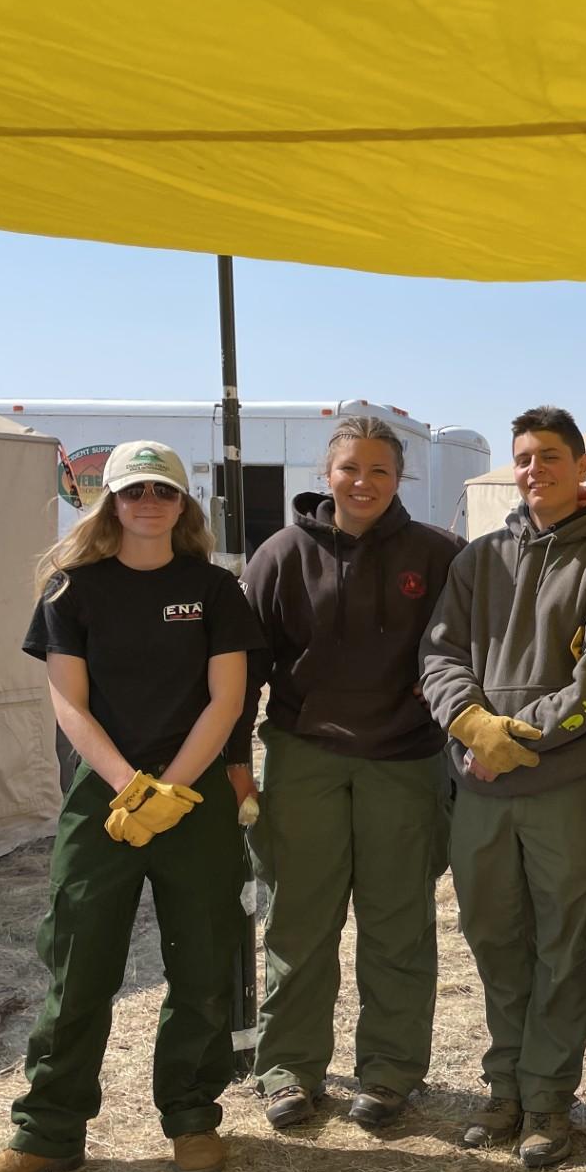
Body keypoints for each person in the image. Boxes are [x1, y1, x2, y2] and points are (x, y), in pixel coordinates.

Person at [0, 440, 264, 1172]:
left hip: (191, 801)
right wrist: (130, 785)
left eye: (163, 492)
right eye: (134, 493)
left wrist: (171, 790)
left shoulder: (217, 590)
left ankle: (192, 1117)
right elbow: (68, 701)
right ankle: (48, 1132)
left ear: (183, 504)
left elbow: (227, 700)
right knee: (79, 963)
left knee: (201, 963)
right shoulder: (73, 591)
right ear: (111, 502)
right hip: (104, 800)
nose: (148, 505)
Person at [237, 415, 464, 1131]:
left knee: (398, 925)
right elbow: (244, 672)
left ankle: (391, 1072)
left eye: (379, 471)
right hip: (306, 759)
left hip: (405, 763)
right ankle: (288, 1071)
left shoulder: (437, 556)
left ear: (400, 480)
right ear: (325, 475)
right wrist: (236, 766)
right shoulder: (280, 556)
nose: (362, 483)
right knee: (299, 922)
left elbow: (463, 655)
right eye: (349, 469)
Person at [420, 406, 586, 1169]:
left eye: (550, 456)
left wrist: (515, 740)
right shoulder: (479, 560)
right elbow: (438, 656)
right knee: (495, 941)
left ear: (581, 463)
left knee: (563, 946)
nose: (536, 470)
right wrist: (474, 727)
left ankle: (548, 1102)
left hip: (562, 784)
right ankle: (503, 1090)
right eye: (525, 457)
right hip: (479, 786)